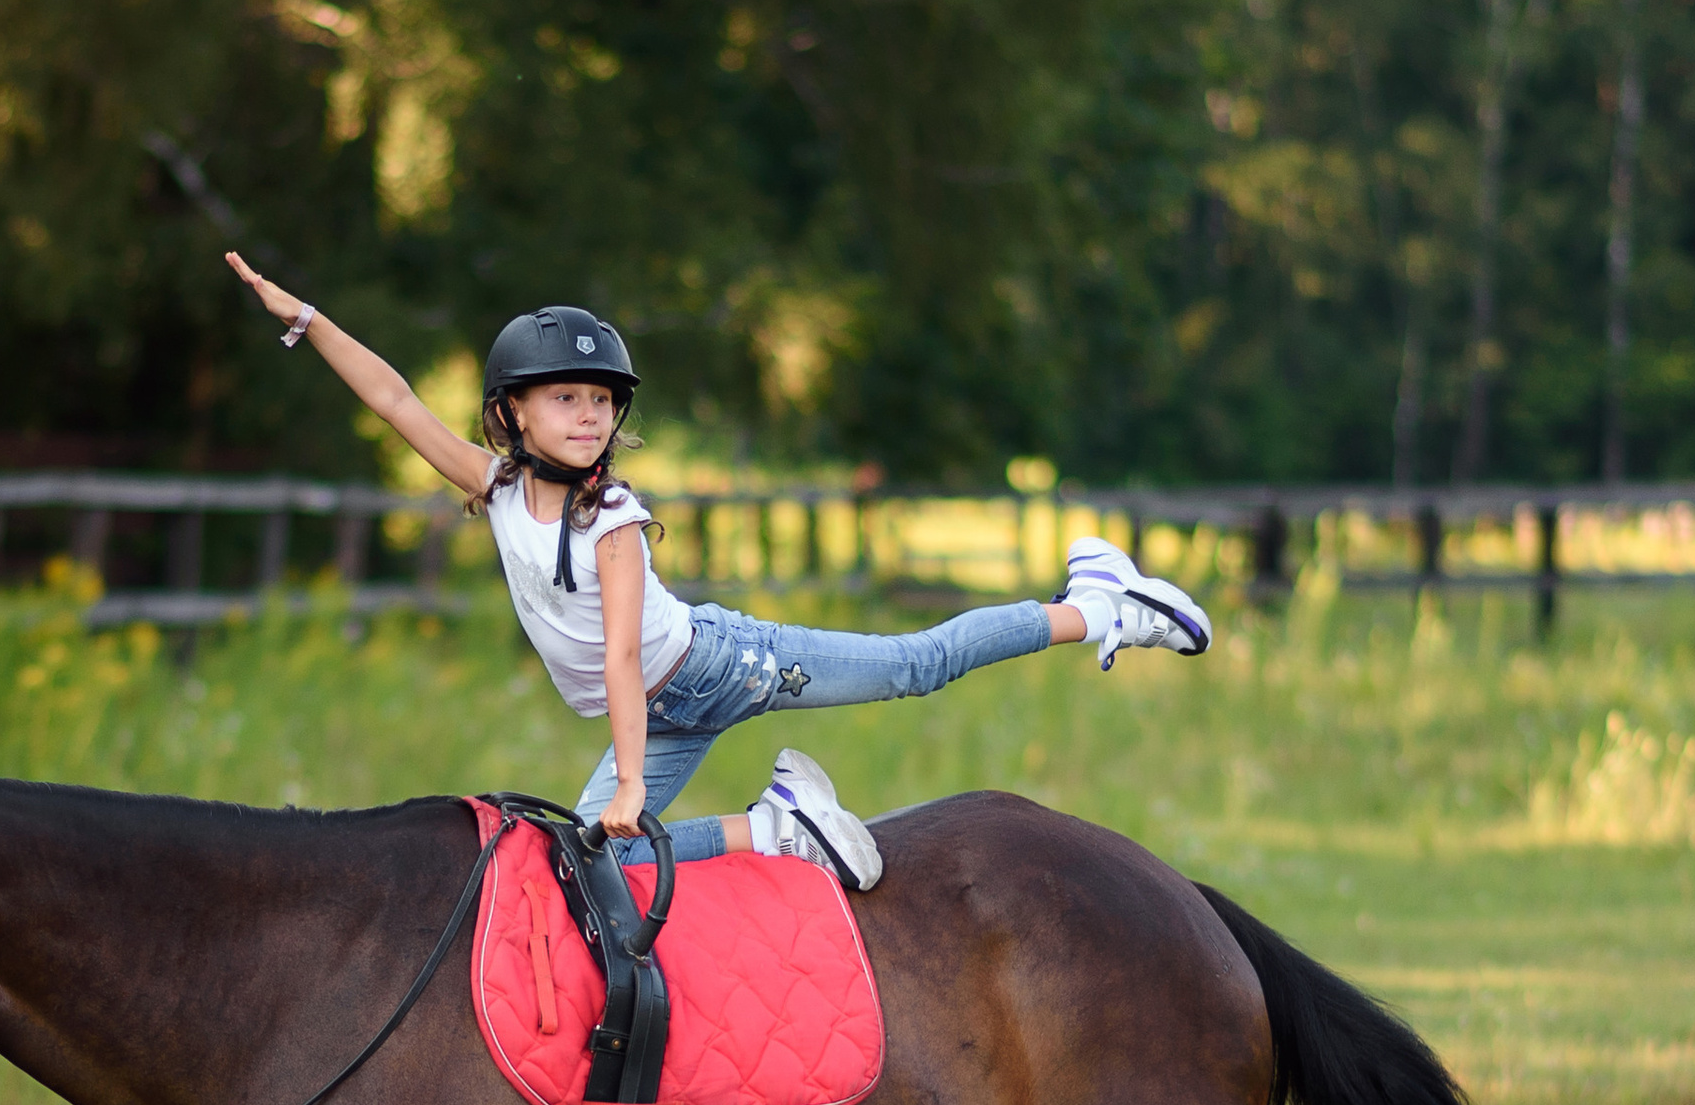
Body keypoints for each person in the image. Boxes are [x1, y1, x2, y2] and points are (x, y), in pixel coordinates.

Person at [225, 260, 1211, 889]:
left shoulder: (611, 516)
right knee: (590, 868)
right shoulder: (491, 487)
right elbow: (396, 398)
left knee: (913, 664)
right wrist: (304, 319)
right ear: (510, 414)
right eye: (563, 399)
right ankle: (778, 830)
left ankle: (1098, 603)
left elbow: (618, 654)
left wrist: (620, 786)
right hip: (660, 706)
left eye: (600, 402)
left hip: (718, 668)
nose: (586, 417)